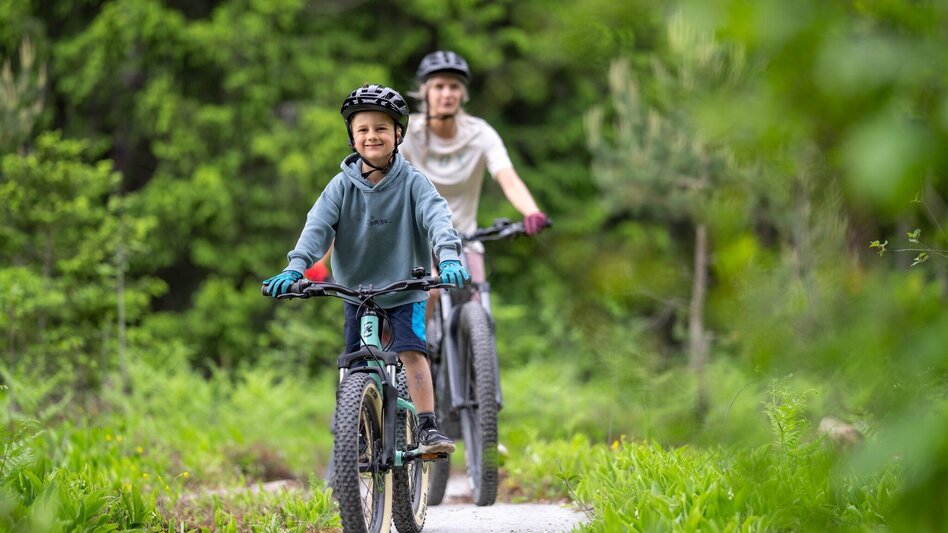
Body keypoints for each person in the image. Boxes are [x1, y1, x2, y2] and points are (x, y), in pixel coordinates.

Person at [262, 83, 470, 454]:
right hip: (356, 290)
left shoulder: (414, 183)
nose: (372, 136)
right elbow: (317, 228)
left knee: (412, 352)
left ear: (398, 134)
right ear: (352, 137)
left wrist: (449, 256)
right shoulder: (341, 187)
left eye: (381, 128)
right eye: (363, 129)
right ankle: (355, 428)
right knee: (355, 361)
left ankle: (427, 427)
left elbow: (438, 218)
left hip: (406, 287)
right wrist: (296, 268)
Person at [401, 50, 549, 288]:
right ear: (425, 91)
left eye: (454, 86)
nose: (447, 94)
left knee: (478, 300)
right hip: (417, 239)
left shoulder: (480, 134)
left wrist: (532, 212)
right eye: (439, 86)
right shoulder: (408, 133)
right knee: (428, 296)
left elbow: (508, 179)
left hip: (465, 238)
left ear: (463, 93)